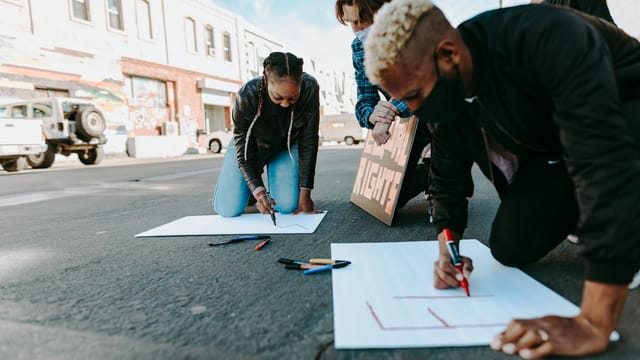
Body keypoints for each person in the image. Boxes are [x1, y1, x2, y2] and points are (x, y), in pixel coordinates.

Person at [364, 0, 640, 358]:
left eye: (414, 95)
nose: (412, 109)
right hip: (562, 148)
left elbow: (602, 161)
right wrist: (449, 247)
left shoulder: (544, 34)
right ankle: (606, 221)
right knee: (511, 246)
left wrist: (593, 322)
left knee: (612, 178)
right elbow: (446, 179)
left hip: (624, 114)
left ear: (448, 53)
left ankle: (625, 224)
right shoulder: (444, 95)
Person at [335, 0, 432, 210]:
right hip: (408, 123)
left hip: (441, 115)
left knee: (450, 182)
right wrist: (373, 116)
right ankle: (432, 172)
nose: (357, 30)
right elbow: (365, 97)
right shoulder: (359, 47)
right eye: (351, 23)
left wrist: (391, 110)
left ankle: (447, 172)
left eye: (363, 21)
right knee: (386, 199)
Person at [213, 52, 321, 218]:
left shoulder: (309, 88)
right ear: (265, 79)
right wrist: (258, 191)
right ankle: (249, 191)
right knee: (228, 210)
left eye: (293, 98)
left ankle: (262, 184)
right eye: (278, 97)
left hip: (285, 147)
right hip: (251, 146)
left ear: (300, 83)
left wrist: (305, 194)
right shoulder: (247, 94)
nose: (285, 104)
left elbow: (309, 142)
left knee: (287, 206)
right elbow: (244, 153)